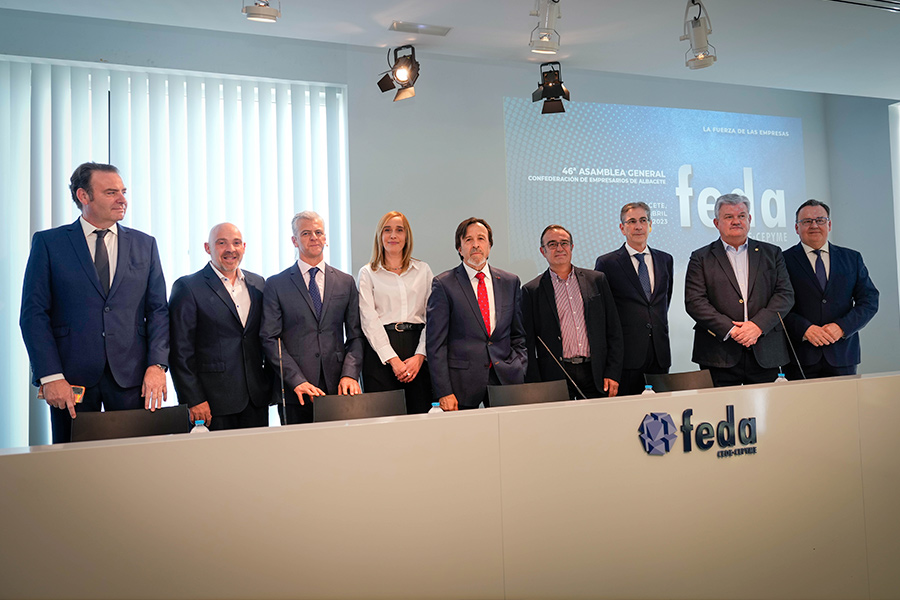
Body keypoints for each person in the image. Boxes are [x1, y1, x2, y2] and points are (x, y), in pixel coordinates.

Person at [19, 162, 169, 443]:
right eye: (111, 192)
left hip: (132, 378)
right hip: (69, 380)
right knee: (73, 464)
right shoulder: (49, 243)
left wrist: (157, 366)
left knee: (133, 461)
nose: (122, 199)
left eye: (123, 192)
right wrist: (50, 376)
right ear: (83, 196)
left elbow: (158, 311)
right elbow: (33, 315)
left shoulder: (145, 244)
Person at [259, 211, 363, 424]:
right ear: (294, 241)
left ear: (325, 238)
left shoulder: (345, 282)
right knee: (298, 446)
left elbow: (356, 336)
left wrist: (350, 374)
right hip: (295, 390)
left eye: (318, 232)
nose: (314, 237)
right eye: (306, 233)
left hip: (338, 386)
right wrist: (296, 380)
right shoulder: (276, 284)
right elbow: (270, 338)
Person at [169, 223, 272, 430]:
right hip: (212, 402)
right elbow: (180, 350)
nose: (230, 249)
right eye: (221, 243)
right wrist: (193, 399)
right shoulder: (188, 287)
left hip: (256, 400)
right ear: (207, 248)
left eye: (236, 243)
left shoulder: (258, 283)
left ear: (244, 247)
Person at [684, 193, 794, 387]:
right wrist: (732, 330)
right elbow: (695, 302)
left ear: (749, 219)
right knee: (722, 407)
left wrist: (758, 326)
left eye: (741, 216)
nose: (736, 221)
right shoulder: (700, 257)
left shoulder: (772, 253)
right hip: (718, 353)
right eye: (729, 217)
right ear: (716, 223)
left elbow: (784, 295)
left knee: (766, 406)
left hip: (765, 350)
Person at [426, 217, 527, 410]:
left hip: (505, 379)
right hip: (460, 384)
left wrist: (519, 366)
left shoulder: (510, 282)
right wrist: (444, 391)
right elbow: (436, 344)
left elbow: (518, 334)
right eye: (468, 240)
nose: (475, 245)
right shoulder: (444, 284)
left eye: (481, 239)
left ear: (489, 246)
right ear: (459, 248)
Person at [523, 225, 623, 399]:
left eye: (564, 243)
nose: (559, 248)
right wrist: (536, 383)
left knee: (599, 417)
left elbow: (613, 329)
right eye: (552, 244)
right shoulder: (531, 291)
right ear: (542, 251)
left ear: (572, 247)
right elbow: (528, 344)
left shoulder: (596, 280)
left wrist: (613, 372)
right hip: (556, 374)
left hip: (596, 372)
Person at [782, 199, 878, 379]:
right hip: (800, 356)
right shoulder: (782, 260)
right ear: (796, 228)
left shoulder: (852, 258)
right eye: (807, 221)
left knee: (845, 399)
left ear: (829, 224)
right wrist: (804, 329)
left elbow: (869, 301)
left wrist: (842, 327)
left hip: (843, 355)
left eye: (820, 220)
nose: (814, 225)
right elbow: (777, 305)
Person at [358, 211, 435, 414]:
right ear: (379, 236)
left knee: (420, 419)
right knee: (384, 423)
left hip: (418, 351)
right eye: (387, 230)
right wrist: (392, 359)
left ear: (406, 236)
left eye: (399, 230)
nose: (393, 235)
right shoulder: (367, 273)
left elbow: (433, 317)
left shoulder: (423, 270)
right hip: (380, 355)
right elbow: (368, 320)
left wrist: (420, 355)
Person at [595, 202, 674, 396]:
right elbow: (603, 312)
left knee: (660, 412)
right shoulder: (607, 263)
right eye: (631, 221)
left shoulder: (665, 259)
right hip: (626, 358)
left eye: (643, 220)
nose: (638, 226)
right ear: (622, 228)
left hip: (659, 355)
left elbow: (663, 301)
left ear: (650, 225)